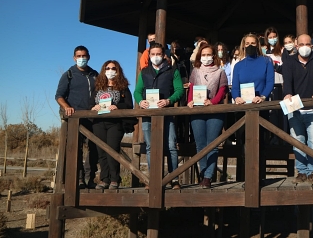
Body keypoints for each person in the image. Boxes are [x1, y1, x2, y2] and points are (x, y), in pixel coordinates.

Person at [134, 43, 184, 189]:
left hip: (166, 114)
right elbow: (137, 91)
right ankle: (154, 178)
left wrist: (169, 100)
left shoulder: (172, 70)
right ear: (149, 56)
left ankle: (174, 179)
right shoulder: (144, 72)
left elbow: (179, 90)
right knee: (150, 147)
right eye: (153, 54)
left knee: (171, 146)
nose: (155, 57)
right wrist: (140, 101)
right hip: (148, 115)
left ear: (163, 55)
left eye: (158, 54)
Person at [282, 34, 313, 184]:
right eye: (301, 44)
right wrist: (287, 93)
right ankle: (301, 172)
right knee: (298, 141)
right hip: (295, 107)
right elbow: (287, 80)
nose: (305, 46)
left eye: (308, 44)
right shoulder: (289, 61)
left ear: (312, 46)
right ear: (296, 45)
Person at [55, 45, 99, 188]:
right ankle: (78, 179)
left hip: (93, 118)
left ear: (89, 57)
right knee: (76, 149)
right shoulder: (69, 74)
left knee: (94, 148)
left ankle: (90, 178)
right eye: (79, 56)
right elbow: (59, 96)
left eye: (84, 56)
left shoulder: (95, 74)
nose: (82, 59)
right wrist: (67, 107)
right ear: (74, 58)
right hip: (76, 119)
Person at [187, 43, 228, 188]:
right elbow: (191, 88)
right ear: (199, 56)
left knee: (212, 144)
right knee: (200, 144)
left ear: (214, 56)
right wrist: (190, 101)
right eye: (203, 55)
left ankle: (208, 176)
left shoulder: (220, 72)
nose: (206, 57)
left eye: (209, 54)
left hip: (214, 112)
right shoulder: (195, 71)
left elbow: (222, 90)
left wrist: (212, 102)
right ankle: (203, 173)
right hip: (197, 111)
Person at [90, 60, 133, 190]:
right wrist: (93, 107)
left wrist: (117, 106)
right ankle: (104, 179)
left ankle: (115, 179)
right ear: (103, 70)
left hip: (115, 124)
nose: (110, 70)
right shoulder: (97, 87)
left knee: (112, 150)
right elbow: (89, 104)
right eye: (107, 68)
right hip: (99, 123)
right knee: (101, 151)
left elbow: (129, 105)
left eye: (113, 68)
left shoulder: (123, 87)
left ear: (118, 70)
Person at [231, 33, 274, 105]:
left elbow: (270, 82)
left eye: (253, 43)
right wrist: (237, 98)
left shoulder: (267, 61)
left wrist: (262, 97)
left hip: (260, 104)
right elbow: (235, 87)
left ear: (257, 45)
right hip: (242, 105)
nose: (250, 46)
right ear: (244, 46)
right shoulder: (238, 66)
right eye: (247, 43)